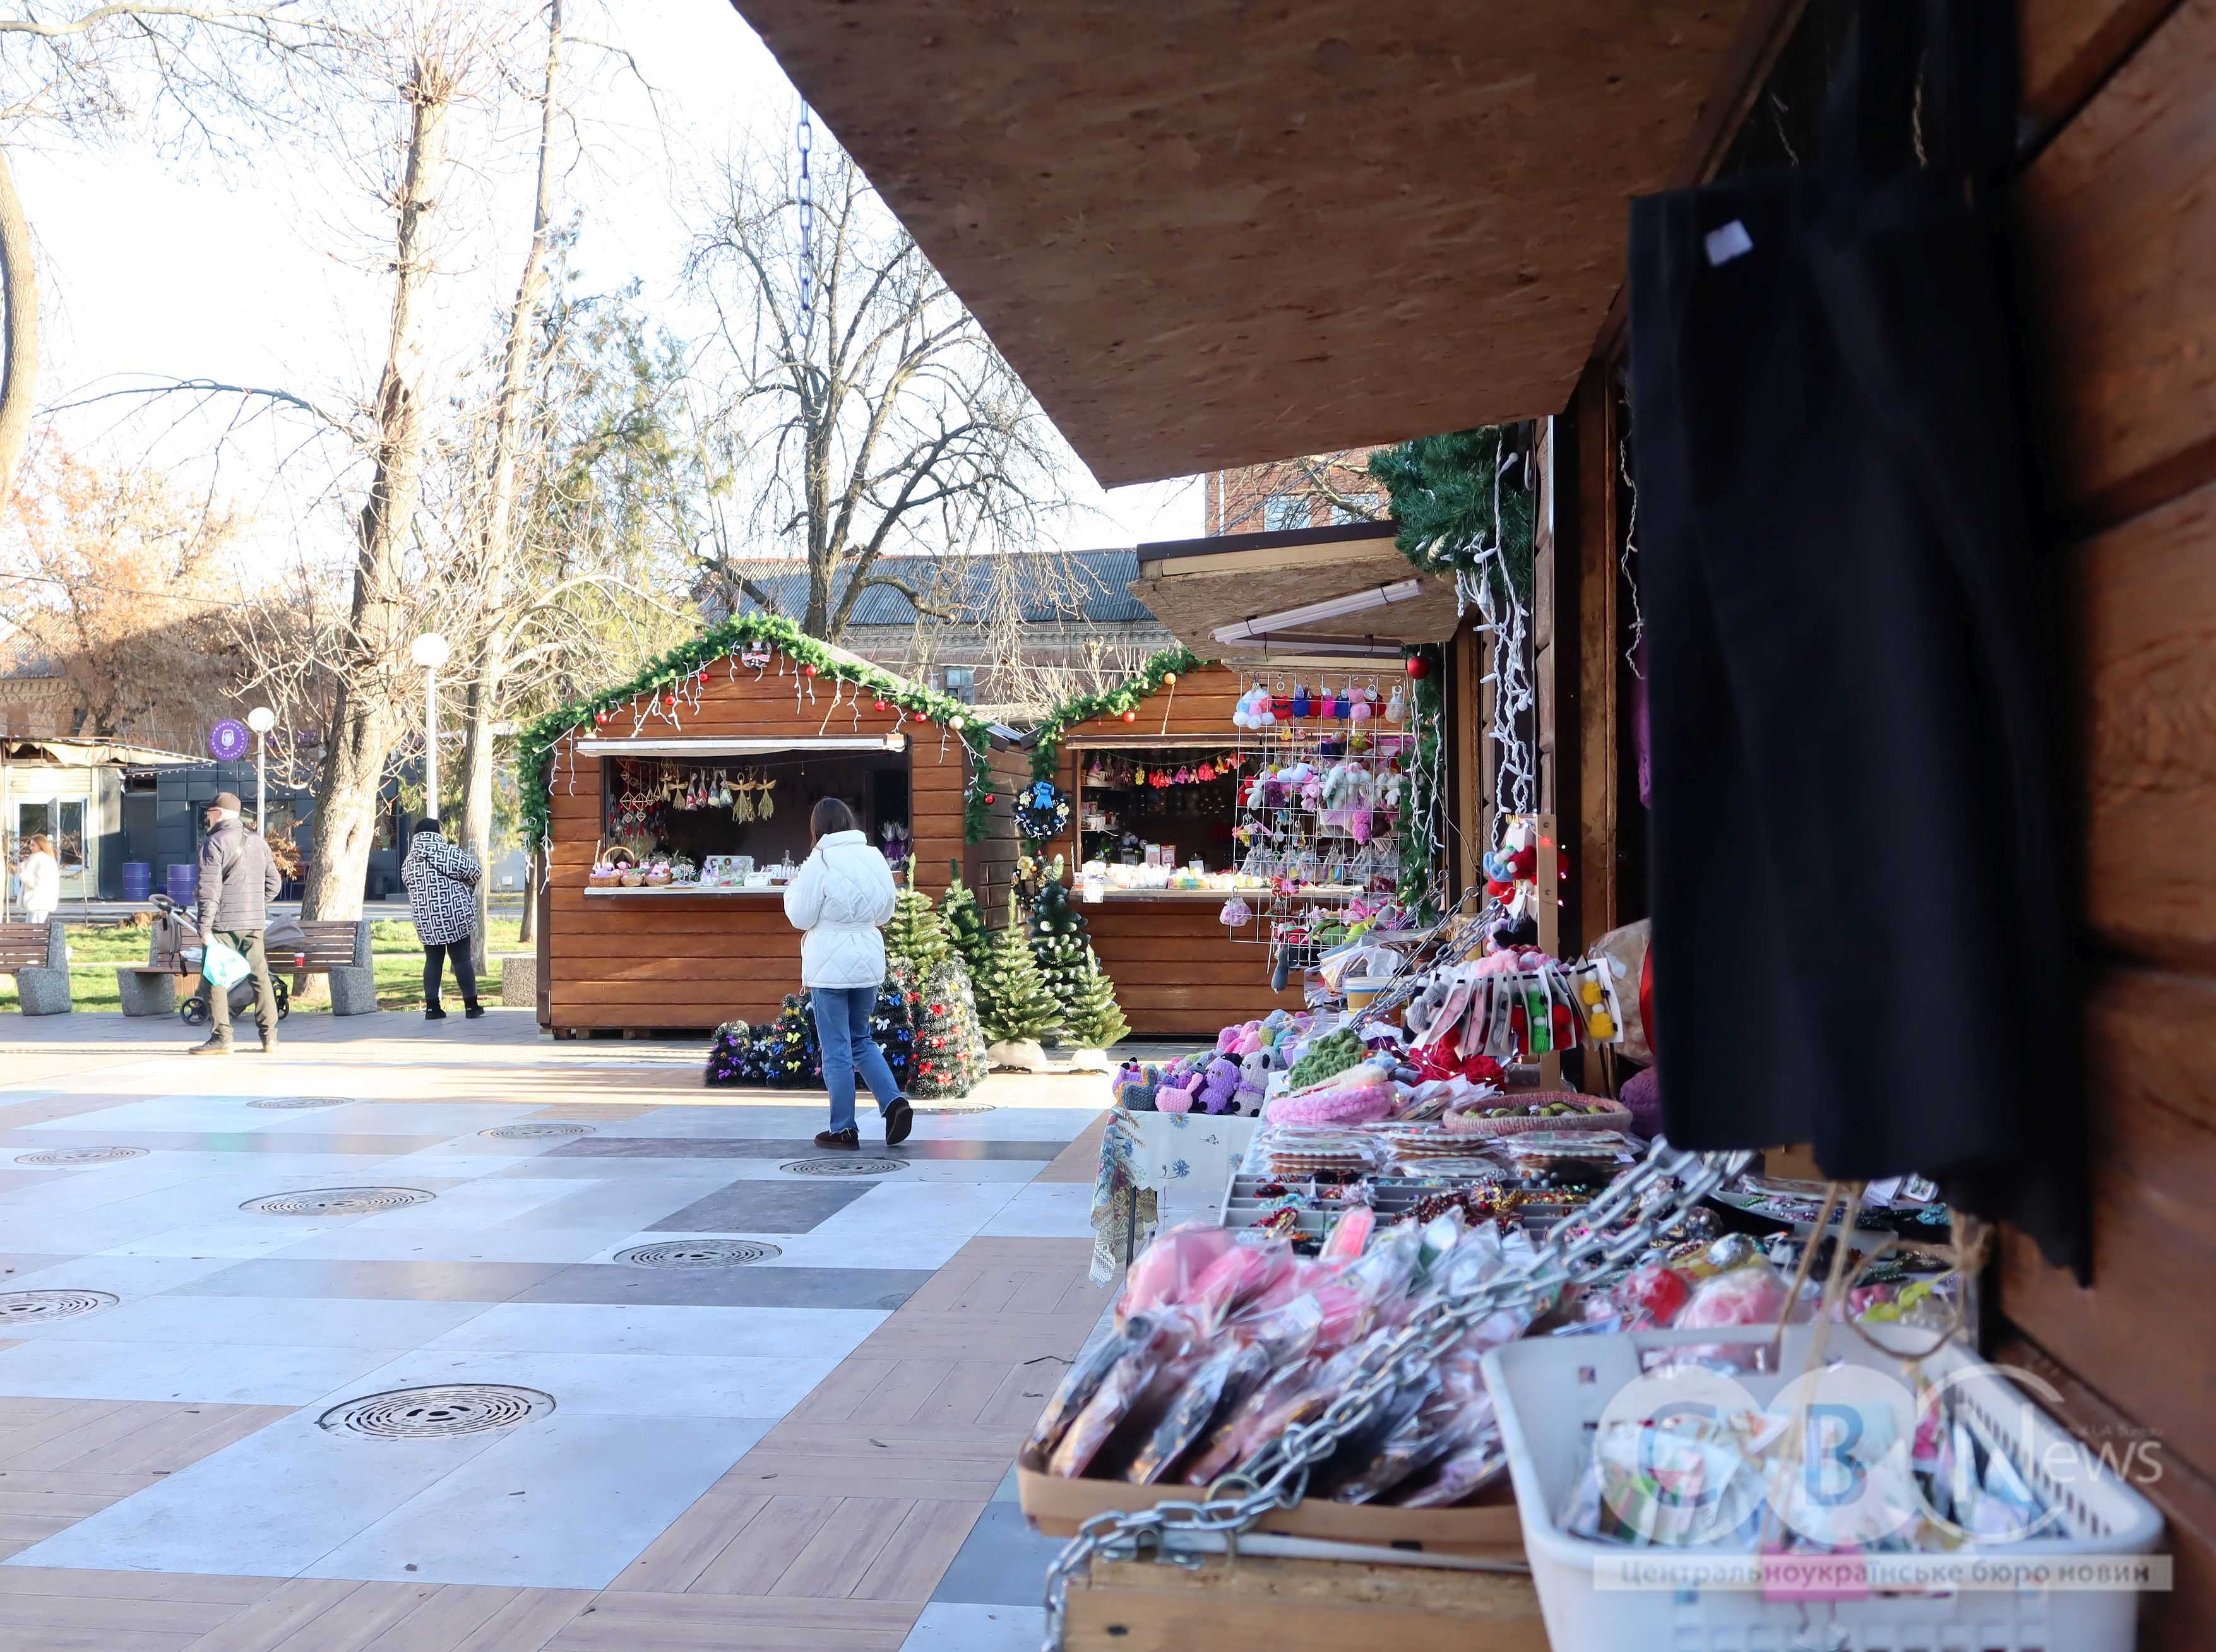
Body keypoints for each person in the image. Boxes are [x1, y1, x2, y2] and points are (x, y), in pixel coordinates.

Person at [782, 797, 913, 1151]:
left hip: (828, 966)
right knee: (861, 1039)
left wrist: (792, 888)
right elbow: (886, 911)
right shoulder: (874, 857)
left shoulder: (819, 861)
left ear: (817, 828)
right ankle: (894, 1102)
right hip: (868, 960)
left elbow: (800, 916)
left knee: (837, 1047)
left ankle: (843, 1129)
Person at [189, 793, 281, 1055]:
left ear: (219, 813)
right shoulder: (259, 842)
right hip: (253, 923)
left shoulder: (214, 843)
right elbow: (274, 885)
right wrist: (254, 904)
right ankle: (270, 1038)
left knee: (214, 979)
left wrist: (204, 928)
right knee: (260, 978)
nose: (207, 819)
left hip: (222, 925)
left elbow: (209, 889)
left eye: (209, 814)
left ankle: (222, 1038)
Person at [402, 819, 482, 1021]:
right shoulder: (447, 852)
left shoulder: (409, 861)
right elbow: (475, 872)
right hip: (454, 914)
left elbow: (408, 883)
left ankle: (432, 1008)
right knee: (462, 959)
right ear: (438, 832)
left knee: (433, 961)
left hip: (426, 919)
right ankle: (471, 1006)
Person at [16, 833, 58, 926]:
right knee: (31, 933)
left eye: (33, 845)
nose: (30, 848)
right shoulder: (37, 858)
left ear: (41, 845)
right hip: (35, 903)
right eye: (30, 845)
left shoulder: (42, 860)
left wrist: (23, 873)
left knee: (35, 933)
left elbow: (38, 884)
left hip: (39, 902)